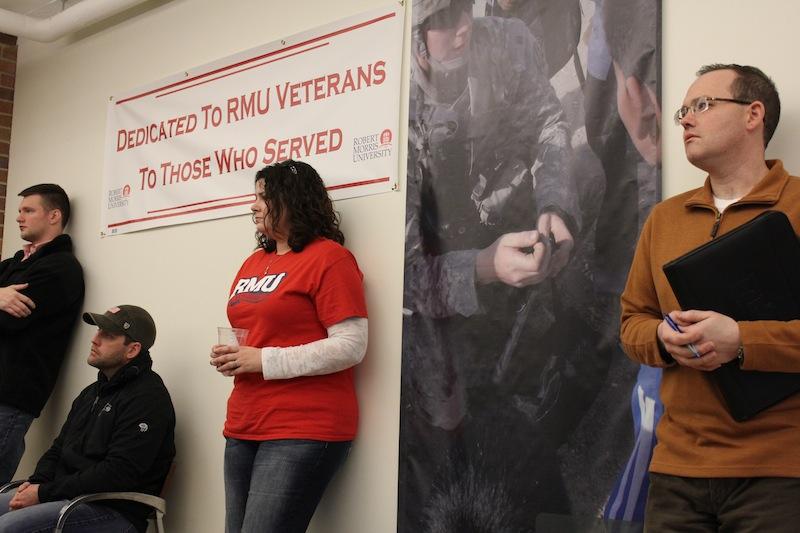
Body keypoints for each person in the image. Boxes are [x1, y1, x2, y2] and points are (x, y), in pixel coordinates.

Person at [400, 0, 593, 530]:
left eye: (462, 13)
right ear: (414, 37)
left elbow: (548, 122)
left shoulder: (506, 40)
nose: (460, 31)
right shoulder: (392, 104)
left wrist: (554, 204)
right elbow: (404, 275)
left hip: (507, 220)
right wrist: (483, 265)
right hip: (435, 290)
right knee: (449, 432)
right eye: (441, 23)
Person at [620, 63, 800, 531]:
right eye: (683, 111)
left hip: (779, 473)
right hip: (676, 471)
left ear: (753, 114)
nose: (685, 120)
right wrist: (661, 339)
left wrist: (740, 340)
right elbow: (631, 323)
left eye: (702, 105)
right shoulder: (664, 218)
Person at [210, 159, 368, 533]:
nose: (253, 205)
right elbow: (257, 331)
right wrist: (235, 357)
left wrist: (262, 359)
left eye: (263, 197)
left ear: (292, 200)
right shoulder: (253, 263)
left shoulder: (330, 258)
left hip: (303, 426)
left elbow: (350, 346)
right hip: (244, 423)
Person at [0, 304, 175, 533]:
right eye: (97, 331)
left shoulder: (148, 399)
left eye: (107, 335)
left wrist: (43, 493)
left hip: (112, 510)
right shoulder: (93, 392)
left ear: (132, 350)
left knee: (9, 527)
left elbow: (117, 474)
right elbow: (58, 449)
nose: (95, 339)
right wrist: (35, 484)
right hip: (66, 499)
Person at [0, 183, 84, 483]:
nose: (19, 217)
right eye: (19, 211)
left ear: (54, 216)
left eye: (28, 210)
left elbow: (9, 321)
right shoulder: (14, 264)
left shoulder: (61, 269)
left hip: (10, 397)